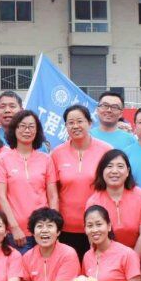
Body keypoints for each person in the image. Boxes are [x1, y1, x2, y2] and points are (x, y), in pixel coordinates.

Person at [51, 105, 112, 257]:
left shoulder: (106, 150)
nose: (75, 126)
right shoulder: (56, 153)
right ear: (65, 126)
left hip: (98, 227)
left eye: (80, 121)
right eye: (70, 123)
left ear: (90, 123)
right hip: (66, 227)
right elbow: (52, 192)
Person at [0, 110, 58, 250]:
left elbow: (53, 196)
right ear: (14, 129)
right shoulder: (3, 159)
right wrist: (14, 227)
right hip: (16, 232)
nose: (27, 130)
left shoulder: (46, 159)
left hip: (43, 230)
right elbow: (1, 196)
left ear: (37, 131)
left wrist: (54, 226)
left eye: (31, 126)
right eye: (22, 126)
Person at [86, 150, 141, 258]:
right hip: (108, 258)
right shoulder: (94, 201)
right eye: (109, 166)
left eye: (120, 166)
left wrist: (132, 262)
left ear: (127, 171)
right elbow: (93, 237)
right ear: (102, 171)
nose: (114, 171)